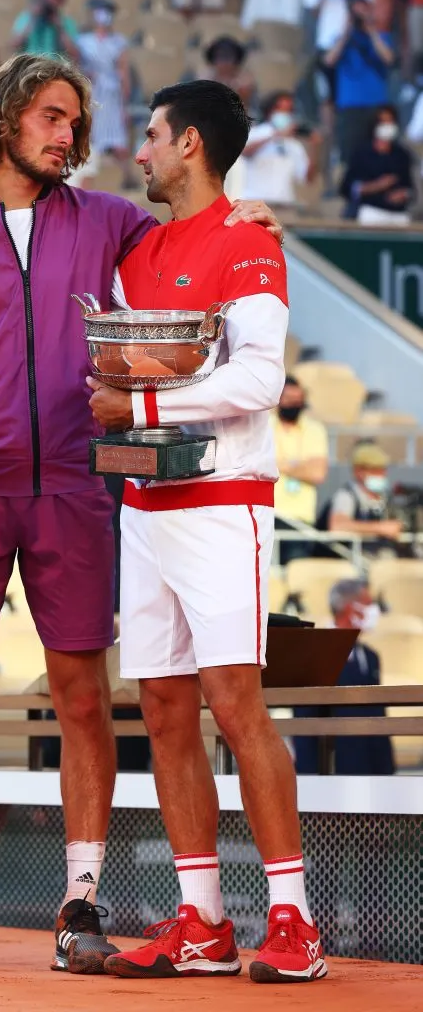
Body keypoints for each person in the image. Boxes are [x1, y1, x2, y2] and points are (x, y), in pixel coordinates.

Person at [0, 53, 282, 976]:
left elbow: (198, 235)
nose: (69, 136)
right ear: (6, 120)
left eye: (76, 121)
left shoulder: (109, 224)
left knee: (83, 696)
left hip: (72, 487)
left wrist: (250, 214)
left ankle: (80, 903)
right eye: (52, 118)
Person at [88, 80, 326, 984]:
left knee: (233, 703)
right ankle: (202, 921)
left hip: (225, 503)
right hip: (144, 508)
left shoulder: (248, 243)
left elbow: (260, 381)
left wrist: (136, 401)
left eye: (150, 137)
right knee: (161, 709)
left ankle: (294, 923)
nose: (138, 152)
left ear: (188, 143)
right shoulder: (138, 253)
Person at [293, 578, 395, 775]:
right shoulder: (315, 652)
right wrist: (310, 777)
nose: (374, 611)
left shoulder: (371, 657)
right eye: (368, 604)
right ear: (350, 608)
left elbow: (378, 713)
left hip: (373, 771)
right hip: (332, 770)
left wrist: (386, 767)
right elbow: (305, 720)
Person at [323, 0, 395, 162]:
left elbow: (389, 59)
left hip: (377, 104)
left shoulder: (381, 37)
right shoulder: (342, 39)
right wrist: (346, 31)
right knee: (350, 153)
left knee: (378, 152)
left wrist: (371, 31)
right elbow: (329, 60)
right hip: (350, 105)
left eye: (364, 9)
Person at [77, 0, 134, 189]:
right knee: (90, 140)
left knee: (118, 142)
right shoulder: (83, 40)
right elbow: (76, 66)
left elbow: (124, 73)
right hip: (91, 92)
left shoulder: (119, 42)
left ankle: (127, 180)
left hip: (111, 96)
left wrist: (125, 106)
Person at [273, 375, 328, 562]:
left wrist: (280, 464)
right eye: (289, 400)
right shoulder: (264, 424)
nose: (294, 405)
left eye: (298, 401)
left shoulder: (314, 429)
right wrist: (302, 466)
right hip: (269, 513)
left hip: (300, 519)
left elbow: (318, 473)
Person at [241, 91, 322, 210]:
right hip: (253, 203)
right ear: (269, 111)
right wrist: (276, 135)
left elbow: (308, 178)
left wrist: (314, 147)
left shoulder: (294, 144)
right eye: (280, 109)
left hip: (285, 205)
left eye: (289, 110)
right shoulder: (255, 133)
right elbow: (245, 152)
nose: (285, 114)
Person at [321, 440, 402, 553]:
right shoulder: (346, 496)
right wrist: (381, 528)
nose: (381, 474)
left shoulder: (383, 499)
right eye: (375, 470)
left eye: (382, 470)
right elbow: (338, 526)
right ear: (358, 471)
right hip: (346, 562)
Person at [340, 105, 415, 224]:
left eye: (390, 121)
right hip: (370, 211)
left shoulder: (402, 154)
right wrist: (375, 186)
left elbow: (410, 188)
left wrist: (403, 195)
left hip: (398, 214)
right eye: (383, 122)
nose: (387, 126)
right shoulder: (361, 153)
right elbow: (347, 188)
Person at [11, 0, 79, 62]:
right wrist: (33, 20)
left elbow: (74, 54)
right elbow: (14, 46)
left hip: (56, 66)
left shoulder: (66, 22)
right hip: (31, 65)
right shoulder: (26, 18)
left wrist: (60, 28)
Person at [202, 36, 255, 109]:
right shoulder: (205, 81)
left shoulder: (245, 81)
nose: (224, 62)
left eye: (228, 56)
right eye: (220, 56)